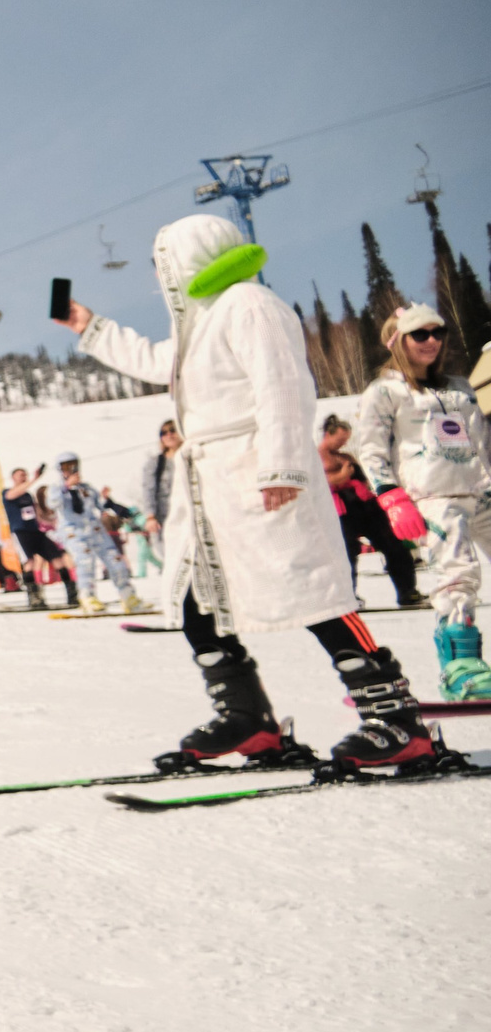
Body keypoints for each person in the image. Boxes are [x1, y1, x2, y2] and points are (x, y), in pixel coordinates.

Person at [65, 214, 436, 766]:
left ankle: (397, 720)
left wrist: (283, 466)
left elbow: (282, 383)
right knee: (194, 600)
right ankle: (246, 720)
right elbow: (152, 360)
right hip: (211, 485)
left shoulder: (249, 304)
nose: (159, 276)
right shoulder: (203, 322)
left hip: (258, 470)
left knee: (314, 593)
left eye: (162, 263)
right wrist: (88, 326)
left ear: (193, 257)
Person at [352, 302, 491, 699]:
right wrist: (392, 498)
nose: (432, 341)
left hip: (480, 491)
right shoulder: (385, 392)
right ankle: (460, 670)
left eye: (438, 332)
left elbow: (483, 441)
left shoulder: (460, 387)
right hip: (432, 498)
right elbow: (371, 449)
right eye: (420, 334)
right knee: (458, 575)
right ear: (398, 341)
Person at [321, 414, 420, 607]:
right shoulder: (315, 457)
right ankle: (347, 597)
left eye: (346, 440)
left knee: (394, 545)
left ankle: (408, 591)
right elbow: (316, 484)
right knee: (347, 552)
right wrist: (341, 476)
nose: (343, 443)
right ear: (328, 435)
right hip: (341, 511)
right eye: (340, 439)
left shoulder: (344, 456)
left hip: (365, 506)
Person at [52, 454, 140, 612]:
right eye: (66, 466)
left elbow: (100, 505)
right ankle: (87, 597)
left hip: (95, 530)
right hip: (74, 531)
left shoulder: (86, 488)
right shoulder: (57, 489)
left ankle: (128, 596)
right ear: (60, 469)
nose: (71, 469)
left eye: (73, 465)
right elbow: (53, 503)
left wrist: (106, 499)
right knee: (85, 562)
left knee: (115, 560)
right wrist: (66, 487)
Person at [0, 468, 79, 609]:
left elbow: (36, 513)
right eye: (20, 475)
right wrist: (34, 479)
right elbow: (14, 494)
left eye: (25, 474)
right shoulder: (7, 492)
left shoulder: (28, 495)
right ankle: (35, 597)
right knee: (29, 562)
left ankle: (73, 595)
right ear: (13, 477)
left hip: (35, 531)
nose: (24, 477)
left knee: (58, 559)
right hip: (20, 532)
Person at [137, 420, 180, 534]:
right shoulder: (155, 463)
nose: (169, 435)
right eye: (164, 433)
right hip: (165, 520)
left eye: (172, 430)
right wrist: (150, 517)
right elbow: (148, 490)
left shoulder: (192, 457)